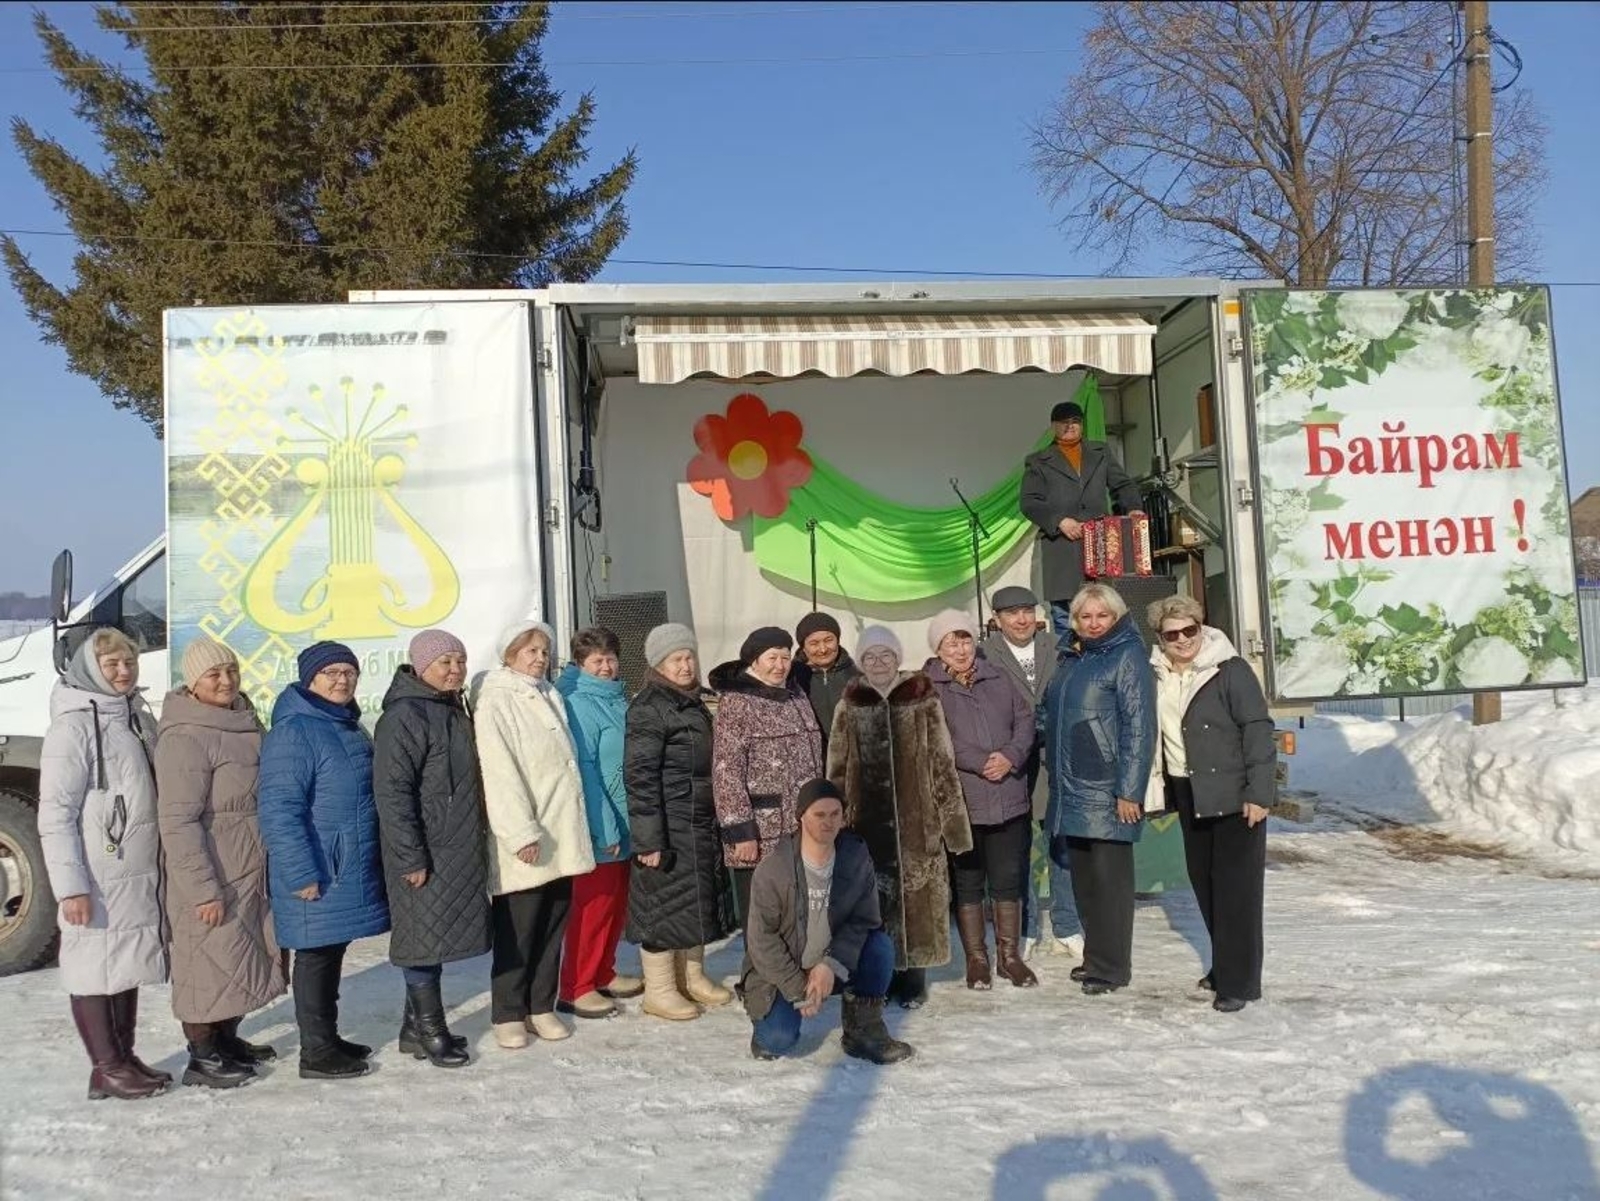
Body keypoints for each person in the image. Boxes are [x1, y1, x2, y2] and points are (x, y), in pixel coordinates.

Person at [38, 628, 169, 1101]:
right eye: (111, 665)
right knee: (93, 966)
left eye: (128, 663)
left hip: (132, 868)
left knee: (124, 963)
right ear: (90, 670)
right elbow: (55, 813)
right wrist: (70, 886)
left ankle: (121, 1059)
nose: (123, 672)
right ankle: (107, 1064)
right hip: (96, 871)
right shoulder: (72, 728)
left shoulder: (131, 715)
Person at [155, 637, 286, 1090]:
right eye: (214, 674)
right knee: (204, 962)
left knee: (236, 957)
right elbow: (177, 822)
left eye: (231, 670)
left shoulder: (242, 722)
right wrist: (202, 889)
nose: (226, 681)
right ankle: (202, 1056)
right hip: (213, 869)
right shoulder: (184, 737)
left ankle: (227, 1040)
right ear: (193, 683)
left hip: (248, 865)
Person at [259, 641, 391, 1079]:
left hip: (342, 864)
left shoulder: (345, 724)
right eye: (331, 673)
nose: (342, 680)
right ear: (308, 679)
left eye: (348, 672)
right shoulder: (295, 731)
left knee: (331, 951)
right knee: (315, 955)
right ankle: (315, 1053)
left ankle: (327, 1039)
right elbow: (279, 809)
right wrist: (301, 873)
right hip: (318, 868)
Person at [826, 626, 971, 1009]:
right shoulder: (850, 705)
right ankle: (883, 974)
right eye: (870, 657)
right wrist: (835, 826)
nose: (878, 664)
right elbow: (837, 770)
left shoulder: (924, 702)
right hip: (866, 827)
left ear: (898, 658)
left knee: (919, 901)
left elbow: (943, 764)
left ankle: (914, 978)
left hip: (918, 820)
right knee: (876, 903)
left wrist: (954, 828)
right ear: (861, 662)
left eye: (886, 655)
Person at [1147, 596, 1274, 1013]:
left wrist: (1259, 792)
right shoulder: (1157, 673)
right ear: (1160, 638)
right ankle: (1225, 965)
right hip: (1188, 789)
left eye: (1190, 630)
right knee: (1205, 883)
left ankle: (1240, 983)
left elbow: (1257, 728)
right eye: (1172, 634)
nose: (1182, 640)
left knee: (1237, 890)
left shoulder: (1230, 670)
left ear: (1202, 627)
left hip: (1234, 794)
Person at [373, 629, 491, 1068]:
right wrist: (409, 856)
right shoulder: (404, 716)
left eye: (459, 660)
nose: (455, 669)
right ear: (421, 667)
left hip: (454, 847)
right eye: (445, 662)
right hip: (424, 850)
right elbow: (392, 793)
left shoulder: (450, 709)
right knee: (421, 939)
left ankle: (413, 1029)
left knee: (432, 939)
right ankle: (432, 1030)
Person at [474, 621, 595, 1049]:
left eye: (544, 651)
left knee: (551, 923)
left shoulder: (549, 694)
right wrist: (520, 831)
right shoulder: (496, 700)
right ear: (509, 654)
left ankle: (540, 1005)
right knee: (519, 928)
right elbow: (499, 772)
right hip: (527, 836)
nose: (539, 658)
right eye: (530, 650)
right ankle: (508, 1010)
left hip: (561, 831)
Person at [741, 780, 913, 1065]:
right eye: (819, 815)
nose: (828, 822)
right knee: (778, 1041)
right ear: (801, 817)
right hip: (787, 969)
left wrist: (831, 965)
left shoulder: (855, 856)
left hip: (834, 962)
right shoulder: (774, 869)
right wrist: (797, 987)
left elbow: (865, 919)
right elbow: (761, 941)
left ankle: (862, 1030)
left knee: (879, 946)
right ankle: (765, 1026)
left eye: (835, 814)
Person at [1042, 584, 1157, 996]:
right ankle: (1096, 957)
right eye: (1085, 617)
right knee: (1086, 883)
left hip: (1108, 790)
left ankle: (1112, 968)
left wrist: (1130, 791)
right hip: (1072, 786)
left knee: (1110, 886)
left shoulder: (1128, 656)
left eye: (1101, 616)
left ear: (1117, 617)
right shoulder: (1074, 657)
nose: (1093, 623)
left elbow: (1140, 727)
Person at [925, 610, 1037, 990]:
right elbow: (933, 736)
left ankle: (1009, 957)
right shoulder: (929, 687)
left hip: (1007, 792)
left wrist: (1010, 755)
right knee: (969, 881)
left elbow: (1025, 719)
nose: (960, 649)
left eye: (965, 639)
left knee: (1007, 879)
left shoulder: (998, 676)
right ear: (938, 648)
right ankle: (976, 958)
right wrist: (978, 761)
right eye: (950, 642)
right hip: (963, 799)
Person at [625, 623, 729, 1021]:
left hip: (697, 819)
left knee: (694, 898)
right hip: (667, 823)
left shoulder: (692, 701)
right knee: (660, 905)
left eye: (689, 657)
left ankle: (692, 976)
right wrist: (649, 840)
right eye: (676, 660)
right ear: (658, 665)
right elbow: (640, 775)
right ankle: (661, 989)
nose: (686, 666)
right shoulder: (650, 707)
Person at [980, 586, 1083, 961]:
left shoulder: (1060, 647)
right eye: (1011, 614)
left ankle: (1068, 924)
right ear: (997, 620)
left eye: (1026, 611)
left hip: (1057, 756)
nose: (1021, 620)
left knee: (1062, 842)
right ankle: (1023, 927)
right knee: (1015, 847)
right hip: (1009, 761)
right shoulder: (982, 655)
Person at [709, 626, 824, 930]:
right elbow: (726, 769)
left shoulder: (795, 694)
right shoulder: (737, 703)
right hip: (762, 830)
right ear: (754, 662)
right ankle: (759, 977)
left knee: (797, 913)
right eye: (771, 657)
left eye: (785, 657)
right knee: (762, 918)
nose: (780, 665)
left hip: (802, 827)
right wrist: (740, 831)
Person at [555, 626, 643, 1020]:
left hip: (625, 815)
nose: (606, 667)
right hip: (601, 820)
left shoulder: (617, 698)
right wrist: (604, 827)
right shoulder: (578, 702)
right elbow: (586, 770)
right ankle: (576, 985)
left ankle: (602, 970)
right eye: (597, 661)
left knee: (615, 904)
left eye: (611, 659)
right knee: (592, 907)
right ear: (580, 663)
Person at [1019, 397, 1145, 637]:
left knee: (1104, 606)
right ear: (1053, 426)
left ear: (1082, 425)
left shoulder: (1101, 452)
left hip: (1100, 542)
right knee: (1064, 615)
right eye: (1064, 422)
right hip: (1061, 548)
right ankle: (1070, 666)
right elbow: (1029, 502)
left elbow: (1123, 484)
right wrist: (1059, 521)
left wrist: (1132, 507)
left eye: (1075, 421)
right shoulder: (1038, 460)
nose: (1070, 426)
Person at [788, 611, 860, 756]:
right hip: (809, 762)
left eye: (828, 640)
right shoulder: (791, 679)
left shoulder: (857, 675)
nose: (823, 649)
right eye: (814, 643)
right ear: (803, 647)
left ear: (838, 640)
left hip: (850, 761)